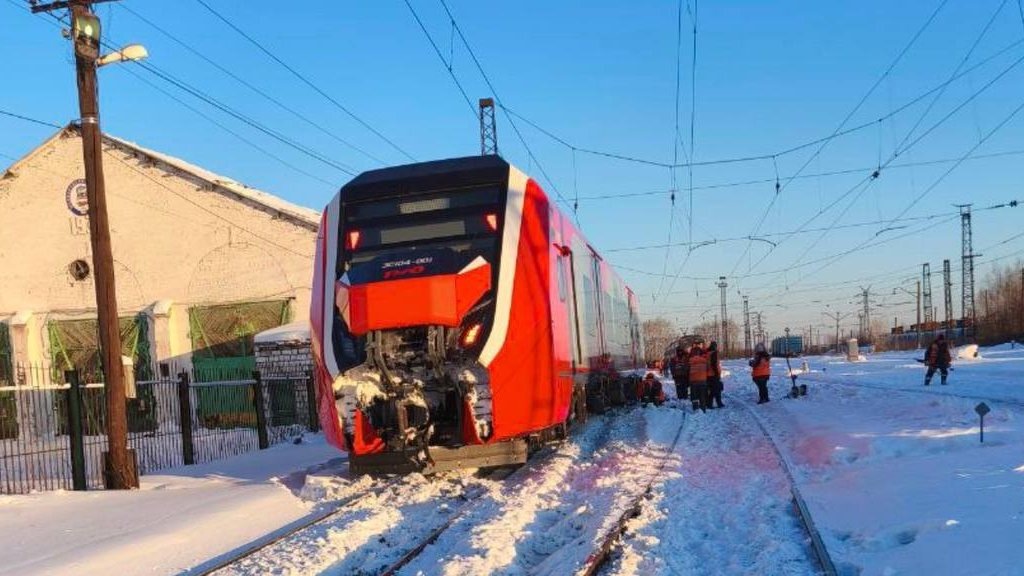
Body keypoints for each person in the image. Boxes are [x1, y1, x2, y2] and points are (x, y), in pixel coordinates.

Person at [688, 342, 710, 412]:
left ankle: (695, 409)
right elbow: (708, 369)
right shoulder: (704, 360)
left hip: (693, 380)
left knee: (694, 396)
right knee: (702, 395)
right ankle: (703, 409)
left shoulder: (690, 360)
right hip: (703, 380)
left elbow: (687, 370)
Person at [707, 341, 724, 408]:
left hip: (709, 374)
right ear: (715, 346)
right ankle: (715, 403)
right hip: (714, 374)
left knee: (713, 389)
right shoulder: (714, 353)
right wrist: (717, 373)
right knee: (716, 389)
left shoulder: (707, 353)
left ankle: (714, 403)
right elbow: (714, 364)